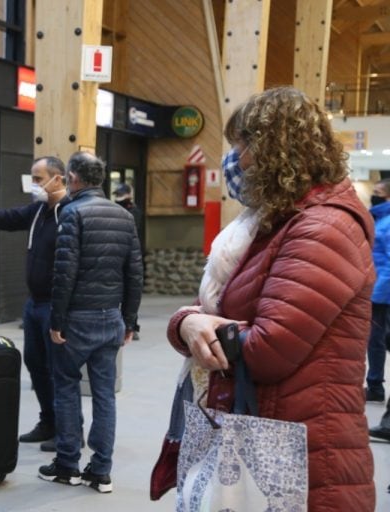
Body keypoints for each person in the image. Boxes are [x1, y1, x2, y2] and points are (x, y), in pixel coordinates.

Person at [166, 87, 375, 510]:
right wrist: (185, 323)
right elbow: (213, 312)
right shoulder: (274, 223)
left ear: (272, 149)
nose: (234, 160)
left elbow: (268, 349)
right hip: (273, 437)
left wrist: (199, 326)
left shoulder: (323, 227)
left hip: (307, 454)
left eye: (240, 146)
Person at [38, 151, 142, 494]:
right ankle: (101, 471)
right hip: (110, 317)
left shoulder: (72, 212)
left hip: (78, 318)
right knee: (104, 395)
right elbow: (134, 273)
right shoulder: (124, 216)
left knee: (66, 387)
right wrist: (130, 320)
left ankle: (67, 464)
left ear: (73, 179)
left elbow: (64, 271)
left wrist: (57, 319)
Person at [0, 156, 67, 449]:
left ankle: (68, 429)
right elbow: (7, 218)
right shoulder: (37, 211)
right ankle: (48, 420)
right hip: (34, 304)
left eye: (38, 178)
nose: (33, 184)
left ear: (57, 179)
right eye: (33, 178)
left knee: (58, 368)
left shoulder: (69, 214)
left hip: (54, 306)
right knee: (36, 365)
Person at [366, 178, 390, 402]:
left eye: (378, 192)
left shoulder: (388, 221)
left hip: (383, 293)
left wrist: (378, 292)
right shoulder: (380, 219)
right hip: (379, 289)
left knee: (376, 340)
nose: (374, 195)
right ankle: (374, 384)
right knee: (375, 340)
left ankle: (375, 385)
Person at [112, 183, 143, 340]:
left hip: (129, 254)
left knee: (131, 291)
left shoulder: (133, 211)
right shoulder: (113, 208)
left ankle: (131, 324)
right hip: (116, 253)